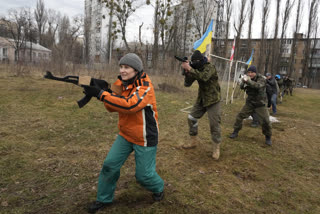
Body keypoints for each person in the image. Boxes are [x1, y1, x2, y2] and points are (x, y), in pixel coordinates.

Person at [83, 53, 164, 213]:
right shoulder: (121, 83)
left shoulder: (145, 86)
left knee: (144, 176)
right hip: (126, 134)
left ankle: (159, 187)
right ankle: (103, 199)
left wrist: (101, 94)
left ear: (136, 69)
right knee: (109, 166)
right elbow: (111, 107)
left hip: (144, 137)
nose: (122, 70)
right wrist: (103, 89)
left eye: (126, 67)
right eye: (121, 67)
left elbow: (129, 105)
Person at [181, 50, 222, 160]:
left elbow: (204, 77)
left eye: (196, 61)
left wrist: (190, 68)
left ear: (201, 60)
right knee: (191, 118)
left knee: (214, 125)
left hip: (213, 99)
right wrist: (187, 72)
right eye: (193, 62)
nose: (195, 63)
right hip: (202, 100)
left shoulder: (210, 67)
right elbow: (187, 84)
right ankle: (193, 141)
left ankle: (216, 148)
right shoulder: (196, 68)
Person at [229, 65, 272, 146]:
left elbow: (257, 86)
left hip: (260, 104)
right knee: (240, 116)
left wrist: (247, 81)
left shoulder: (261, 79)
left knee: (266, 121)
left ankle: (268, 137)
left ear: (255, 73)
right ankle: (235, 132)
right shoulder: (247, 79)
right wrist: (242, 82)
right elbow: (242, 87)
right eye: (249, 72)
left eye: (252, 72)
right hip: (250, 103)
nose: (250, 74)